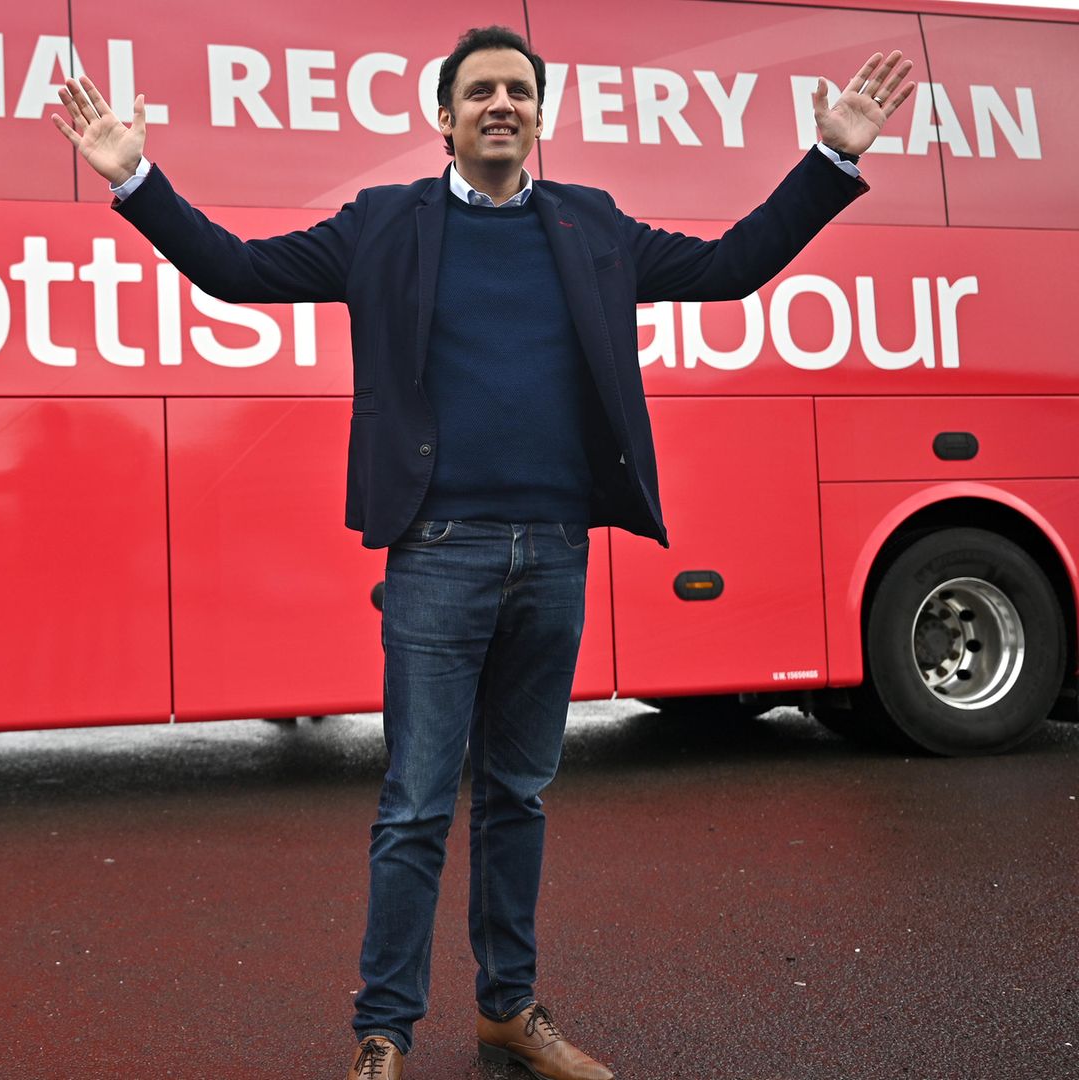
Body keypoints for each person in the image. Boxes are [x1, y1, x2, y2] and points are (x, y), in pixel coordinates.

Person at [52, 25, 913, 1080]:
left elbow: (732, 269)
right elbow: (237, 273)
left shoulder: (591, 226)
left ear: (539, 117)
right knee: (416, 802)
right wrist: (134, 178)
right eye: (480, 92)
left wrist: (833, 160)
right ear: (445, 119)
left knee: (518, 795)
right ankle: (385, 1031)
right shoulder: (383, 226)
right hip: (438, 556)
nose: (500, 104)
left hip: (556, 554)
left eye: (518, 91)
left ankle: (509, 1010)